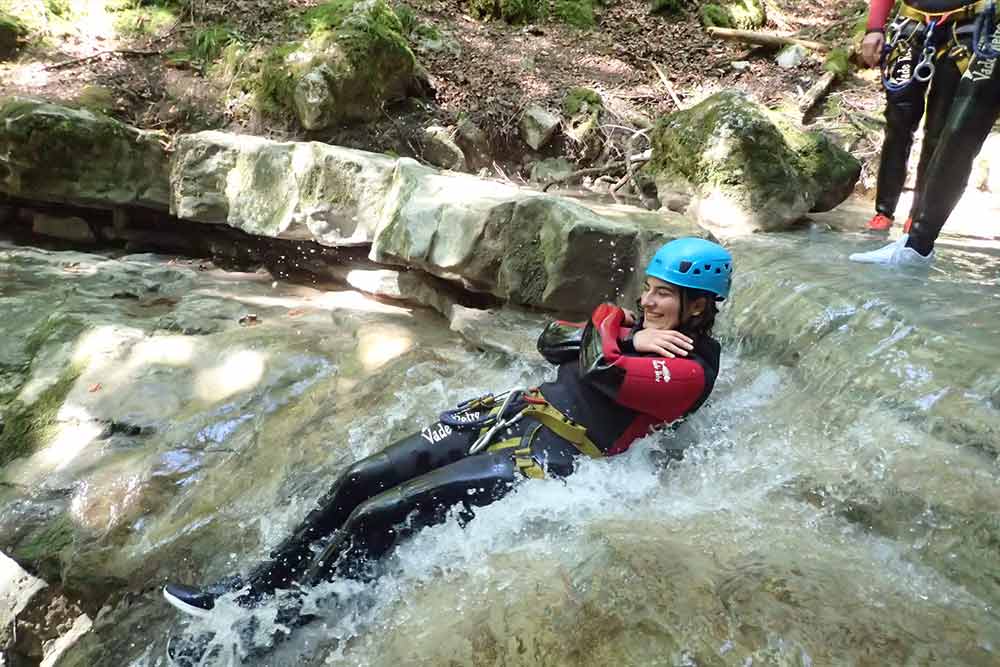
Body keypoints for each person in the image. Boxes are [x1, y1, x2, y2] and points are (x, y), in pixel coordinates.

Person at [162, 237, 733, 621]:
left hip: (548, 461)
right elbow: (553, 341)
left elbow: (598, 366)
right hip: (512, 415)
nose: (648, 301)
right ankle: (253, 590)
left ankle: (278, 625)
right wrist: (623, 332)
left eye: (664, 294)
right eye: (650, 288)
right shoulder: (638, 331)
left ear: (698, 308)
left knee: (380, 515)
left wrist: (610, 330)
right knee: (360, 480)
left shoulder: (686, 371)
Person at [851, 2, 1000, 266]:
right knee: (898, 120)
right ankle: (884, 211)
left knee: (939, 130)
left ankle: (916, 222)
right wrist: (874, 26)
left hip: (966, 28)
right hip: (912, 25)